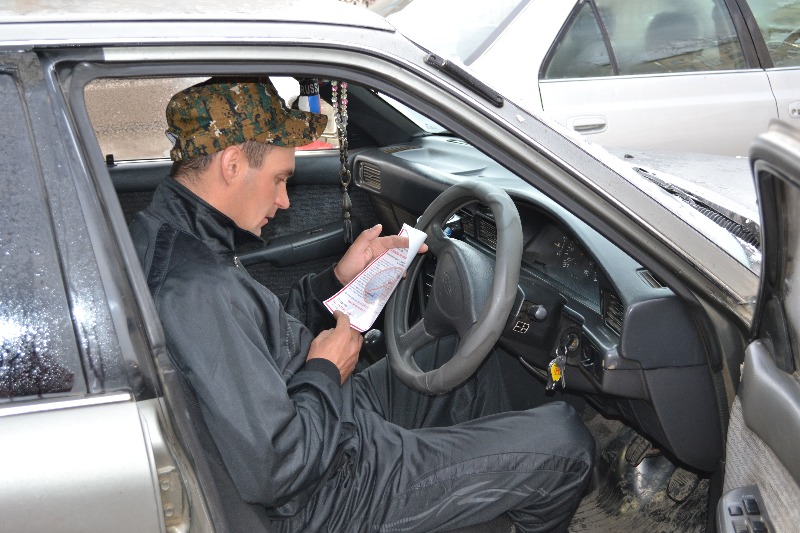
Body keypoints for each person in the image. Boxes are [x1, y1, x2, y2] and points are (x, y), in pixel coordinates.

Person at [129, 77, 594, 532]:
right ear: (232, 164)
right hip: (330, 489)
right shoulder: (195, 289)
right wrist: (326, 371)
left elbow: (257, 339)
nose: (285, 200)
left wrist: (334, 282)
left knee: (473, 367)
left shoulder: (177, 237)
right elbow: (277, 469)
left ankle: (477, 499)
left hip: (324, 416)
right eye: (279, 179)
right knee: (566, 445)